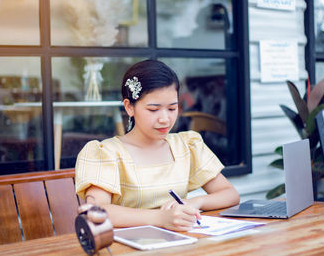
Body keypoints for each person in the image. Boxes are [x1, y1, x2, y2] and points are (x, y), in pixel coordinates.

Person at [75, 60, 239, 231]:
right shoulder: (106, 153)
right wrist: (161, 218)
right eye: (153, 110)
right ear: (129, 107)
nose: (165, 119)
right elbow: (97, 211)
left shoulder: (187, 146)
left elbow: (230, 194)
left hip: (181, 242)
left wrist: (193, 202)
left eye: (172, 108)